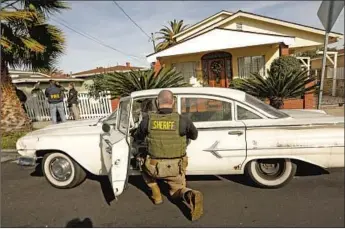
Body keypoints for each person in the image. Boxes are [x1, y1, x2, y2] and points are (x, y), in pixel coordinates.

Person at [132, 90, 203, 221]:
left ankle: (156, 194)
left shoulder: (148, 120)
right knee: (177, 190)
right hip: (176, 167)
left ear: (157, 102)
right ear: (173, 102)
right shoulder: (183, 120)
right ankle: (188, 194)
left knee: (141, 164)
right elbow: (195, 136)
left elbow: (137, 138)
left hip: (154, 167)